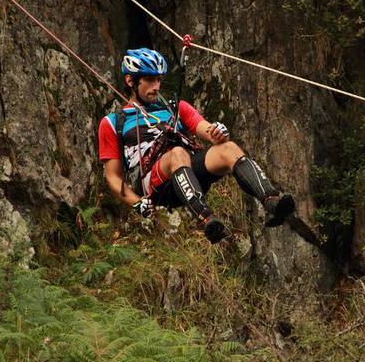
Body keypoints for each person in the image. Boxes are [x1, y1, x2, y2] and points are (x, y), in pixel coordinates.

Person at [98, 48, 295, 243]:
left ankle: (271, 201)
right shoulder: (114, 122)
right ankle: (206, 220)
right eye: (150, 79)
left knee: (229, 148)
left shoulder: (176, 108)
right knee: (177, 153)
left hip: (185, 171)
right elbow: (113, 177)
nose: (156, 86)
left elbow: (206, 130)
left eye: (158, 79)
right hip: (152, 184)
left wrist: (218, 133)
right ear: (131, 81)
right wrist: (137, 203)